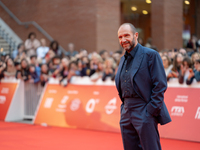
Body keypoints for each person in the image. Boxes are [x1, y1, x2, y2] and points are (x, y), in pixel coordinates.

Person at [115, 23, 171, 150]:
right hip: (126, 112)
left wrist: (150, 111)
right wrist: (124, 109)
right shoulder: (123, 59)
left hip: (144, 109)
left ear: (136, 35)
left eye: (126, 36)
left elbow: (160, 85)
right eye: (120, 37)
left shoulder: (150, 55)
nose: (123, 40)